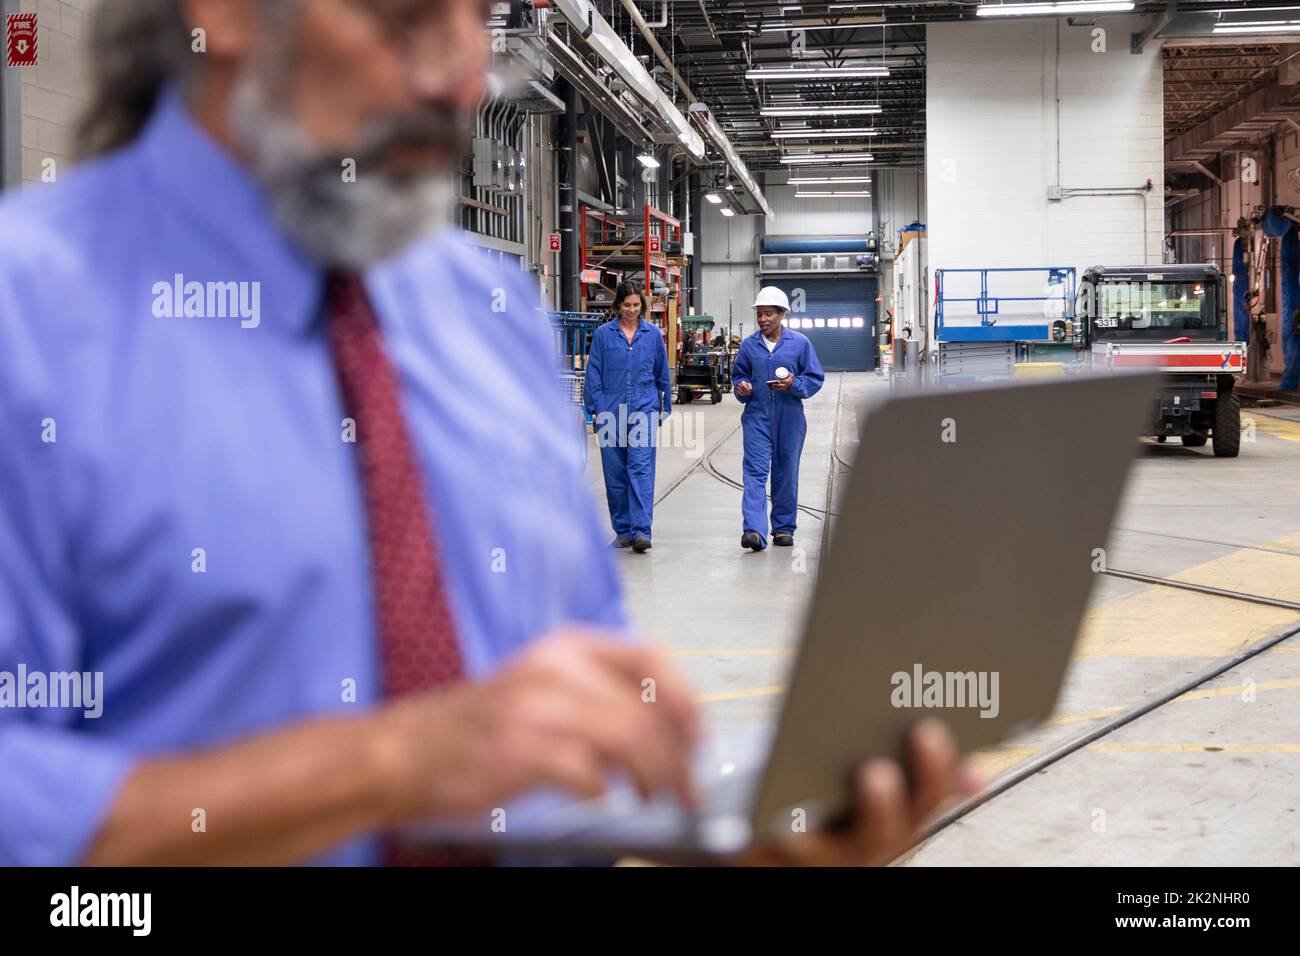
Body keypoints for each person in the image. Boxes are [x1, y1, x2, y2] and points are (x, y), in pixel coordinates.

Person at [0, 0, 973, 866]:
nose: (461, 75)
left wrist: (729, 841)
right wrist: (397, 761)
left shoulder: (488, 315)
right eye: (411, 20)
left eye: (478, 21)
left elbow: (568, 752)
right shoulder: (30, 322)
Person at [732, 287, 826, 551]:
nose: (763, 319)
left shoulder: (799, 344)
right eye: (760, 314)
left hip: (790, 418)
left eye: (768, 314)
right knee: (754, 472)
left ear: (782, 314)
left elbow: (815, 378)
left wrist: (794, 384)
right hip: (757, 417)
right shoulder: (749, 346)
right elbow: (739, 376)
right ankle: (754, 530)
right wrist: (742, 388)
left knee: (786, 472)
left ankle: (783, 528)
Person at [584, 281, 670, 553]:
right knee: (615, 472)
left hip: (643, 410)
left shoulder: (653, 335)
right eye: (626, 305)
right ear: (617, 306)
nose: (631, 310)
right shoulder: (603, 335)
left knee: (641, 469)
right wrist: (595, 407)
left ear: (642, 306)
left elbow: (662, 374)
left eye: (636, 305)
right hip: (609, 411)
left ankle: (642, 531)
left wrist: (662, 407)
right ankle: (623, 531)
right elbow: (593, 373)